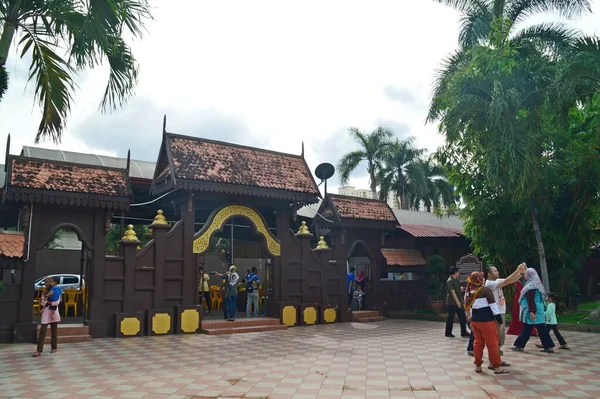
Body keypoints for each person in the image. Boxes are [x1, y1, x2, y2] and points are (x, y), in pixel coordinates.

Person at [467, 263, 527, 356]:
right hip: (495, 314)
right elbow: (507, 281)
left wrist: (521, 273)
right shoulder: (489, 283)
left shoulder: (497, 280)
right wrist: (518, 270)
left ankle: (496, 358)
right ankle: (495, 360)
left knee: (500, 337)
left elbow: (511, 280)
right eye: (495, 271)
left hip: (500, 311)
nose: (497, 272)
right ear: (489, 274)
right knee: (497, 338)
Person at [464, 271, 508, 374]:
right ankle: (497, 367)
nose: (483, 279)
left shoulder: (469, 291)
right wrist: (500, 322)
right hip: (487, 322)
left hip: (475, 322)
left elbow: (468, 308)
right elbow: (494, 308)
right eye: (482, 277)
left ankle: (478, 366)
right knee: (492, 344)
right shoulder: (485, 290)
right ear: (479, 280)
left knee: (478, 344)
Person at [511, 268, 556, 353]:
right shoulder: (538, 284)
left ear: (530, 275)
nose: (525, 275)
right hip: (539, 308)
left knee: (527, 329)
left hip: (532, 309)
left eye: (526, 274)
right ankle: (549, 346)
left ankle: (519, 345)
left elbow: (530, 300)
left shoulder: (530, 287)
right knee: (541, 328)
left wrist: (531, 312)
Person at [33, 277, 62, 357]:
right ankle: (39, 350)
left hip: (54, 313)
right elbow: (42, 302)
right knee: (42, 332)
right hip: (46, 313)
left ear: (52, 282)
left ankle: (54, 347)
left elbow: (57, 302)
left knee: (54, 332)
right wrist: (46, 301)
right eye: (45, 282)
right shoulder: (44, 292)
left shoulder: (56, 290)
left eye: (48, 282)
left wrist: (48, 302)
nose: (47, 283)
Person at [445, 267, 469, 338]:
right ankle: (448, 333)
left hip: (458, 302)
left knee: (462, 317)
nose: (459, 273)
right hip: (452, 302)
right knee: (451, 318)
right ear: (455, 272)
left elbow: (456, 289)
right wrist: (457, 302)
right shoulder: (450, 281)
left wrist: (461, 289)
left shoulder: (456, 280)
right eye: (458, 272)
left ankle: (464, 332)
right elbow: (453, 292)